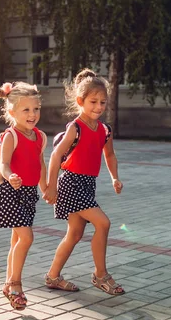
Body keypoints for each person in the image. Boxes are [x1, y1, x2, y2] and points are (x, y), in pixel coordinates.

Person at [43, 68, 125, 296]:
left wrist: (115, 177)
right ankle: (101, 275)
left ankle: (53, 276)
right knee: (103, 223)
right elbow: (56, 156)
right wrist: (51, 186)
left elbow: (109, 155)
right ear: (80, 101)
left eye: (102, 102)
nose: (98, 107)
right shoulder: (75, 128)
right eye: (93, 102)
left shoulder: (104, 130)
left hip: (88, 184)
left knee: (75, 234)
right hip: (71, 184)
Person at [0, 81, 47, 310]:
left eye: (36, 109)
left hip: (29, 194)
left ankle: (8, 284)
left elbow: (41, 164)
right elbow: (3, 164)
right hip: (11, 193)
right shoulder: (11, 136)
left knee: (17, 241)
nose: (32, 114)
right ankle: (15, 284)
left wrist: (46, 189)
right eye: (26, 110)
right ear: (12, 112)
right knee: (26, 238)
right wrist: (11, 175)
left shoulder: (40, 136)